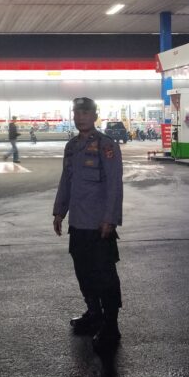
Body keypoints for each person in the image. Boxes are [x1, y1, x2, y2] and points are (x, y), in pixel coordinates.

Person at [53, 97, 124, 352]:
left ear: (94, 116)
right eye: (77, 113)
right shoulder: (72, 147)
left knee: (105, 275)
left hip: (99, 225)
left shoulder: (107, 145)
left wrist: (110, 218)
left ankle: (111, 325)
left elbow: (114, 185)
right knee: (83, 271)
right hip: (78, 223)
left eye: (85, 112)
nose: (80, 117)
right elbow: (66, 180)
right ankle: (94, 314)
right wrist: (59, 212)